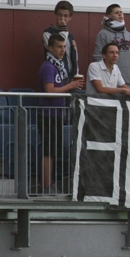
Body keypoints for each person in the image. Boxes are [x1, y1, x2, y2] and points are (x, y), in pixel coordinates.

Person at [38, 34, 84, 193]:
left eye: (64, 47)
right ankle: (46, 186)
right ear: (50, 48)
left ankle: (50, 184)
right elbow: (49, 91)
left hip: (56, 113)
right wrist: (71, 85)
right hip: (47, 114)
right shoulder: (48, 67)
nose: (63, 50)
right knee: (48, 150)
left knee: (53, 150)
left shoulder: (58, 66)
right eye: (59, 47)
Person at [93, 3, 130, 86]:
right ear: (109, 16)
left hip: (128, 81)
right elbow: (98, 57)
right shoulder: (103, 34)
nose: (120, 14)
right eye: (116, 13)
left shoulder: (128, 35)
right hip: (110, 82)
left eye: (121, 12)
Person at [42, 0, 79, 81]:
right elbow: (60, 42)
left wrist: (76, 74)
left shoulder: (70, 36)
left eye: (65, 16)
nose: (62, 19)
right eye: (60, 15)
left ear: (70, 18)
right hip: (56, 76)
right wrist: (63, 29)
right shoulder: (47, 33)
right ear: (56, 15)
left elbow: (74, 56)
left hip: (71, 77)